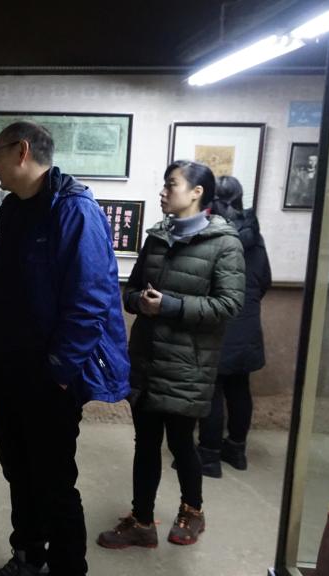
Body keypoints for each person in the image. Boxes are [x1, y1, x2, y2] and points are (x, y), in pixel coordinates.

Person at [0, 121, 131, 576]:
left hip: (47, 376)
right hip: (5, 366)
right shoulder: (14, 210)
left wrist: (59, 372)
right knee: (18, 471)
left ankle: (67, 568)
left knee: (53, 481)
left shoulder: (74, 211)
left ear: (21, 151)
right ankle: (27, 556)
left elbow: (90, 300)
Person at [96, 160, 244, 550]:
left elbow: (229, 305)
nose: (163, 192)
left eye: (171, 185)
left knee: (181, 443)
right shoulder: (157, 238)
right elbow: (129, 292)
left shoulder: (224, 243)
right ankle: (142, 521)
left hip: (188, 364)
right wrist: (139, 303)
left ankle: (192, 512)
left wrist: (171, 306)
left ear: (197, 192)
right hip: (147, 360)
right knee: (145, 443)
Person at [198, 176, 272, 477]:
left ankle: (209, 456)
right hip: (248, 323)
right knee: (240, 388)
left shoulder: (212, 232)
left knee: (212, 390)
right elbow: (264, 280)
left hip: (217, 323)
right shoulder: (254, 233)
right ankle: (237, 450)